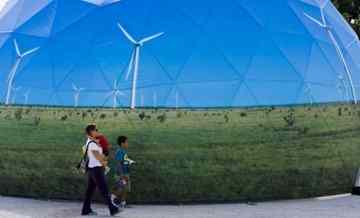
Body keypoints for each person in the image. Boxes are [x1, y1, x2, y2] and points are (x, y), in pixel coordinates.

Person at [81, 124, 120, 216]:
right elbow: (100, 158)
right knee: (104, 190)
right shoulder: (92, 145)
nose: (97, 131)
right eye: (96, 130)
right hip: (97, 170)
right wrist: (106, 157)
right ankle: (113, 208)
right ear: (91, 132)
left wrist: (100, 143)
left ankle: (85, 210)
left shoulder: (90, 141)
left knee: (89, 191)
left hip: (92, 170)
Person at [111, 136, 135, 208]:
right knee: (121, 188)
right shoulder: (119, 151)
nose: (127, 143)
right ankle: (111, 198)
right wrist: (122, 174)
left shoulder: (123, 151)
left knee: (126, 188)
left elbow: (124, 161)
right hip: (121, 174)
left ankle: (123, 203)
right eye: (126, 142)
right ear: (122, 143)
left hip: (125, 173)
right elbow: (118, 163)